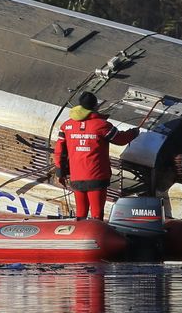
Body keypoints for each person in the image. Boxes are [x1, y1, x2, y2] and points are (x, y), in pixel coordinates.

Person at [54, 92, 139, 220]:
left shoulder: (66, 126)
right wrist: (134, 133)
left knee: (80, 214)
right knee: (97, 215)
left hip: (76, 178)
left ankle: (80, 236)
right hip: (97, 177)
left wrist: (60, 173)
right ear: (96, 106)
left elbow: (60, 151)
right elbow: (121, 140)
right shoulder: (102, 125)